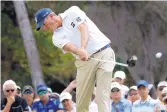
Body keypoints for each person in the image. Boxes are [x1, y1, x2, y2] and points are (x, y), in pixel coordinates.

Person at [35, 5, 115, 112]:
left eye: (44, 25)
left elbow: (83, 28)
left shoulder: (72, 11)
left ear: (51, 16)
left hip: (104, 53)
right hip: (84, 62)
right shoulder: (56, 38)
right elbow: (70, 47)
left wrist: (82, 48)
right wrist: (80, 51)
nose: (44, 29)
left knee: (102, 96)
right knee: (81, 103)